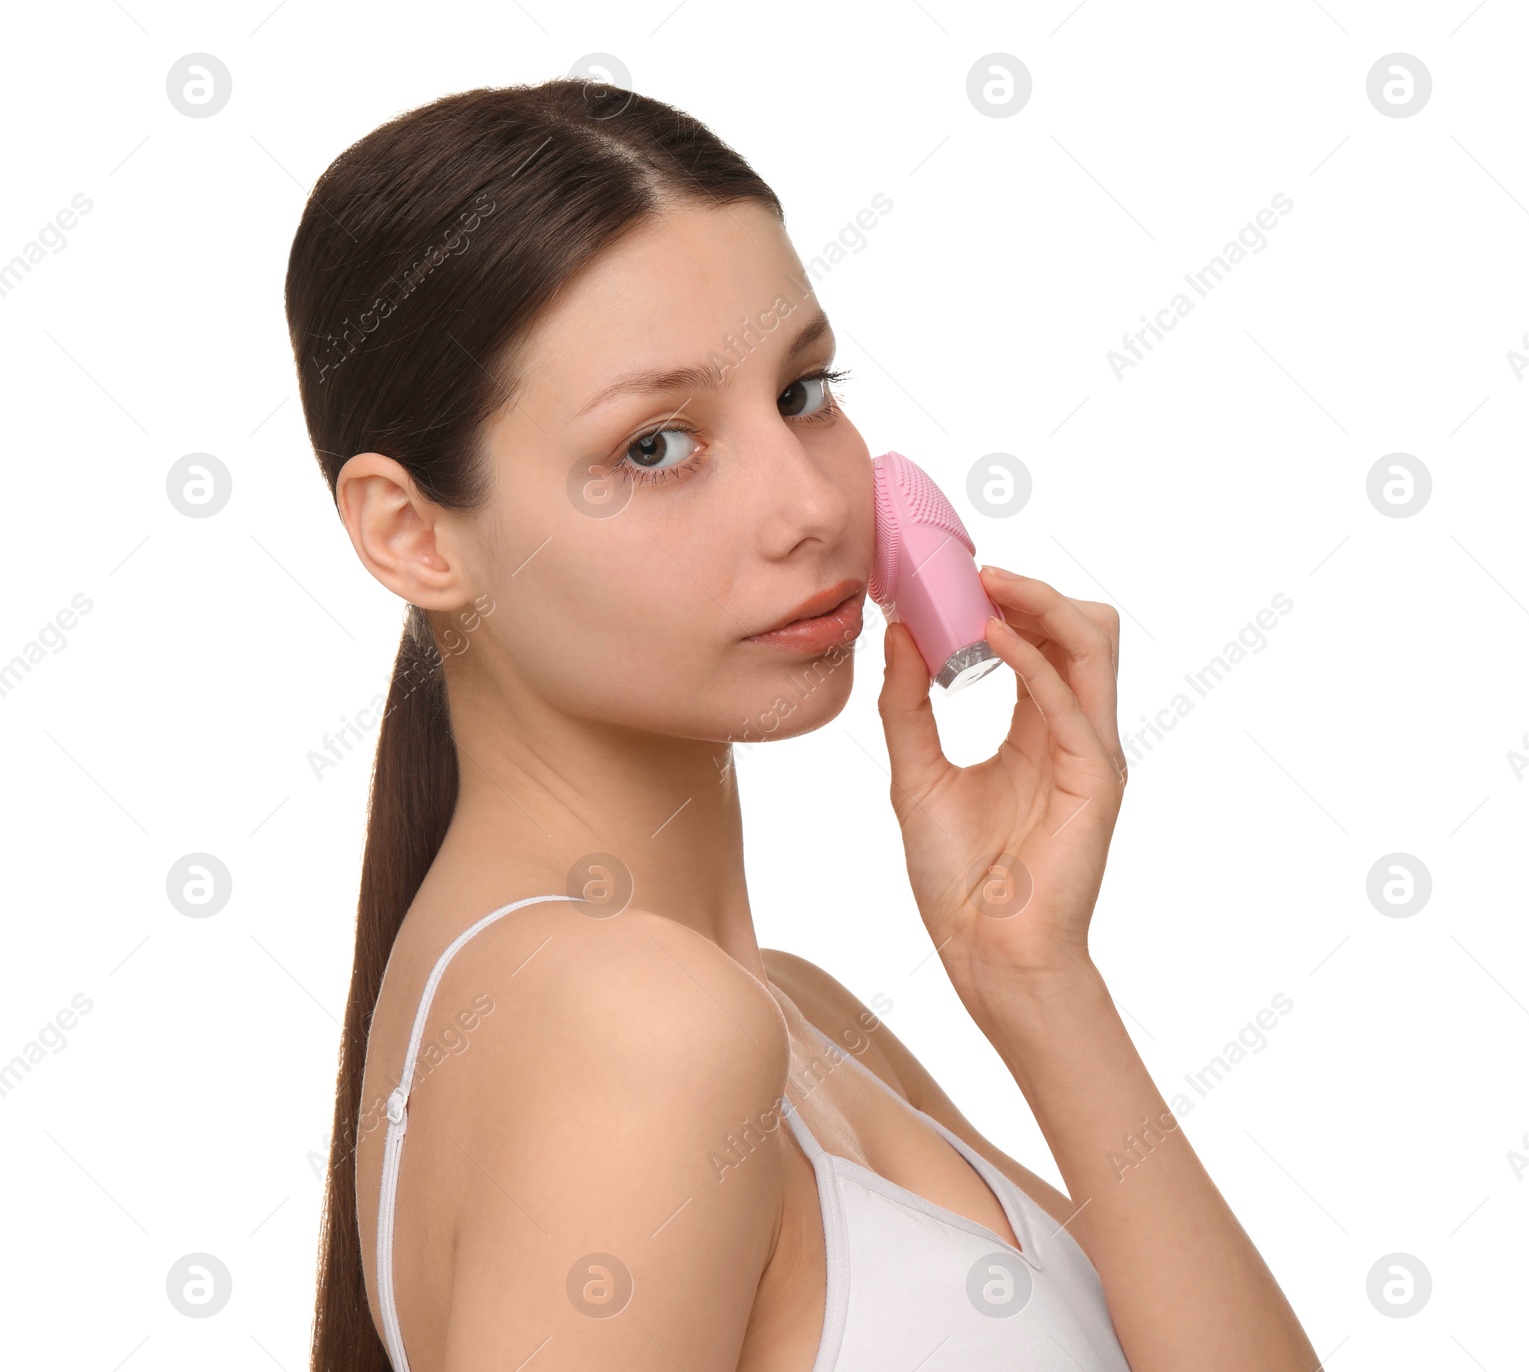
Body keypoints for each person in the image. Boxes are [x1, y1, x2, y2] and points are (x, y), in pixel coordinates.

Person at [285, 78, 1321, 1371]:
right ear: (411, 533)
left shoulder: (787, 1010)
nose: (810, 508)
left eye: (802, 391)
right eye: (656, 447)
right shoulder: (639, 1030)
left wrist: (1033, 975)